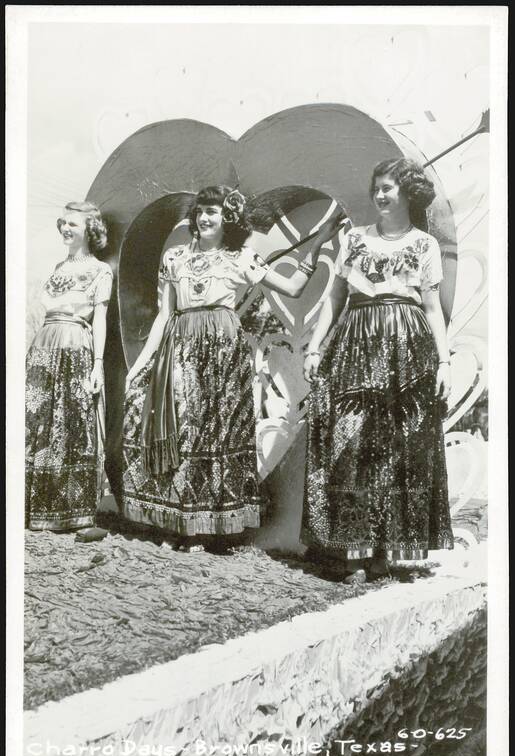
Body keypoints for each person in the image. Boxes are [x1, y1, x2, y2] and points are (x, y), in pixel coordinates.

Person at [122, 185, 341, 550]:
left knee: (215, 435)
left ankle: (206, 529)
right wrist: (141, 364)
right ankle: (181, 523)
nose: (204, 217)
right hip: (181, 345)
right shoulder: (175, 257)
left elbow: (293, 287)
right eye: (200, 211)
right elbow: (164, 316)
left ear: (229, 219)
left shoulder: (241, 258)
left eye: (213, 211)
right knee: (180, 429)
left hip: (224, 353)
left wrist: (317, 243)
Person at [302, 158, 454, 578]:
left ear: (408, 192)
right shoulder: (354, 238)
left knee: (398, 447)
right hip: (356, 342)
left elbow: (432, 308)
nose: (380, 195)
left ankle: (384, 550)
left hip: (408, 347)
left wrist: (444, 362)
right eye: (377, 188)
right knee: (352, 443)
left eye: (388, 187)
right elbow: (334, 297)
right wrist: (314, 348)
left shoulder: (424, 244)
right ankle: (353, 550)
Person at [25, 201, 113, 532]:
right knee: (38, 421)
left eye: (73, 224)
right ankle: (36, 505)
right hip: (44, 343)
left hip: (75, 344)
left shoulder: (101, 270)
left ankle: (70, 511)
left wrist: (98, 364)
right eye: (63, 222)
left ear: (90, 230)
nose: (65, 227)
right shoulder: (58, 267)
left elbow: (100, 319)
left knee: (71, 422)